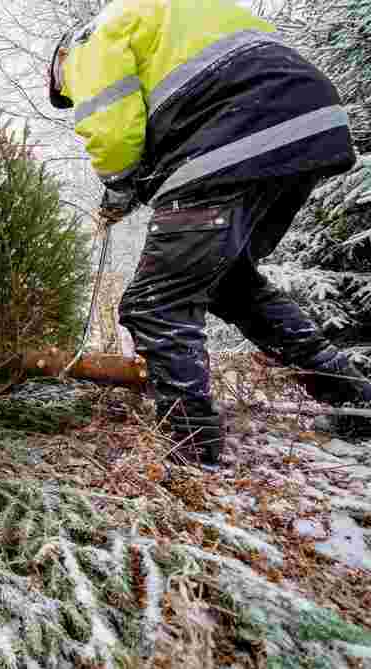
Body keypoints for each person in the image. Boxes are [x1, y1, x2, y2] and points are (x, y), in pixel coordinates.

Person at [47, 0, 371, 463]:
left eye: (65, 93)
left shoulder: (87, 40)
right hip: (308, 127)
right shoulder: (163, 17)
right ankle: (356, 402)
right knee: (228, 285)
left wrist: (118, 186)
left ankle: (191, 450)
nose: (71, 97)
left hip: (238, 134)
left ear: (60, 62)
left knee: (156, 303)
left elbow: (112, 127)